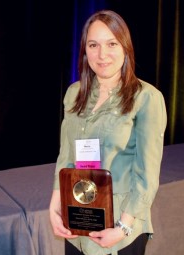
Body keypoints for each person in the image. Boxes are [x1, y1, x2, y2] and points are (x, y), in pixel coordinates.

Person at [49, 9, 167, 255]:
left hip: (119, 228)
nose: (102, 54)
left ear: (125, 47)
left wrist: (123, 227)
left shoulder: (146, 98)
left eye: (111, 43)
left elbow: (147, 175)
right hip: (78, 224)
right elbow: (66, 156)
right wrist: (55, 205)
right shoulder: (74, 93)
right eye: (93, 45)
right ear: (85, 50)